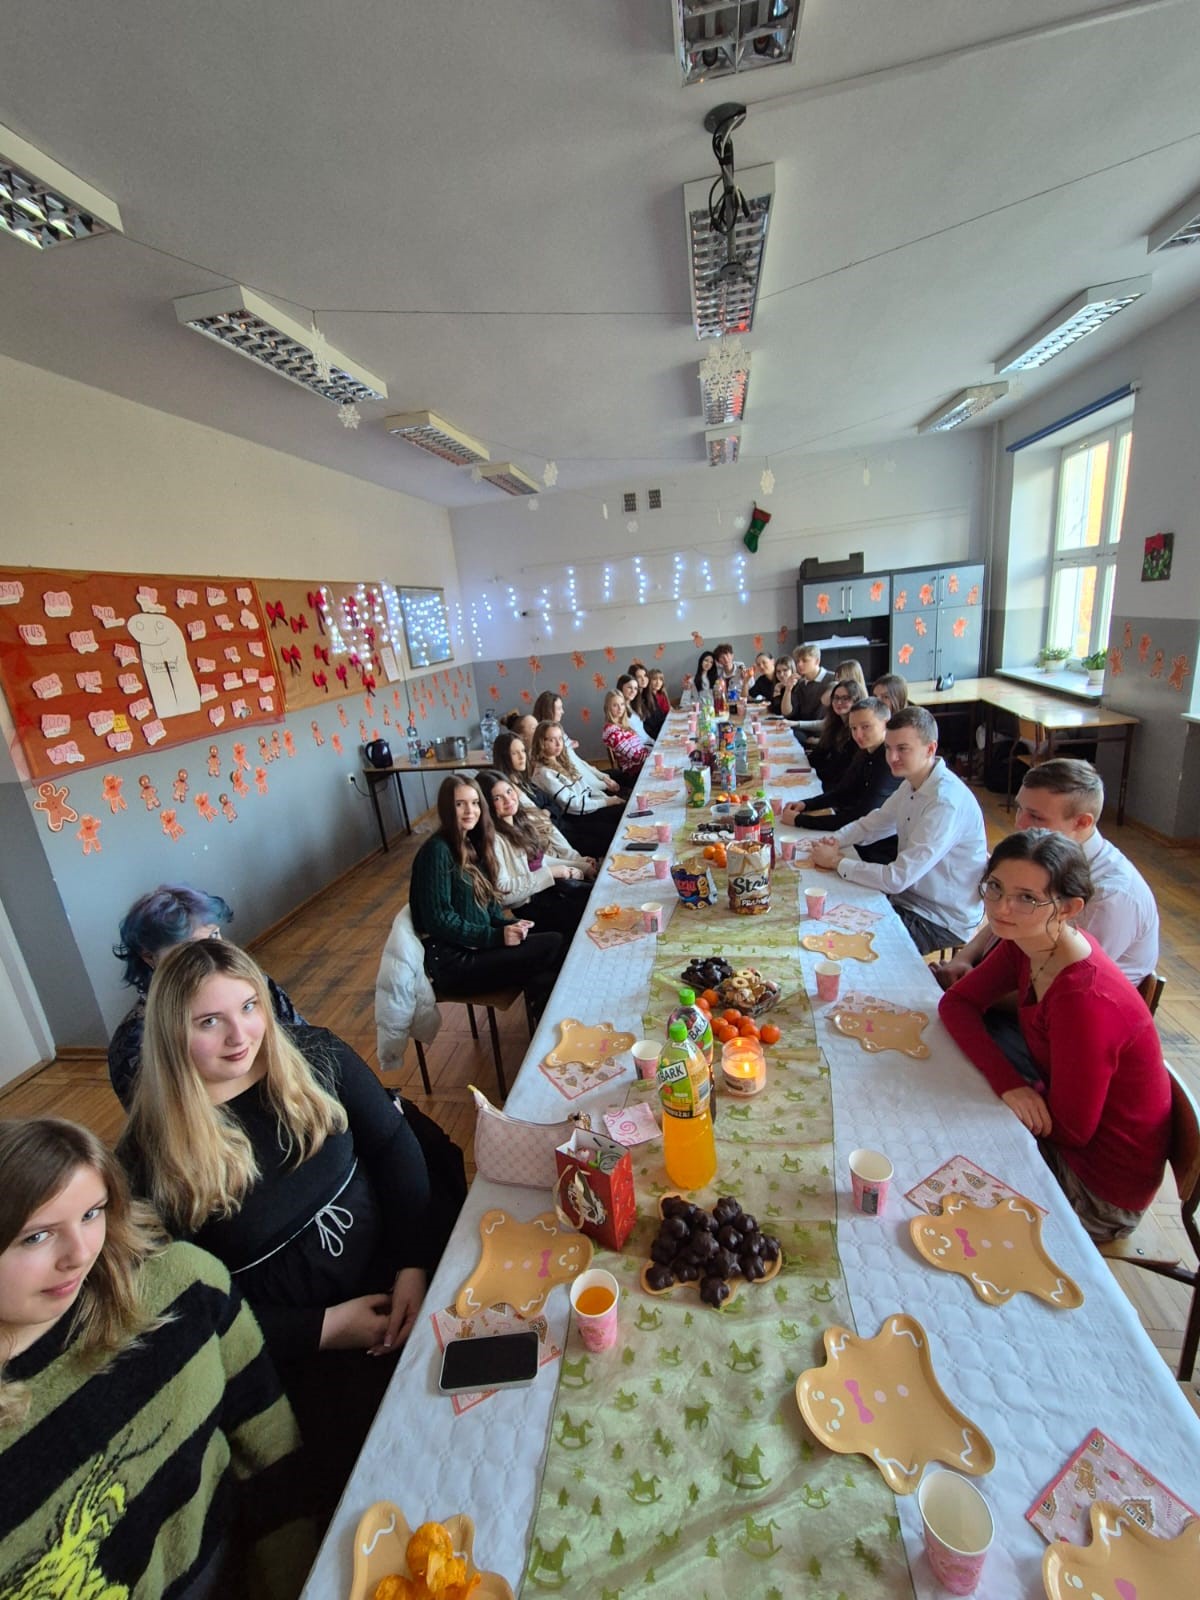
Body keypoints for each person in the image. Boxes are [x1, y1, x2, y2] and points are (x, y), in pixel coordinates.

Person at [118, 938, 443, 1516]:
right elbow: (187, 1309)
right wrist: (326, 1329)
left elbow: (395, 1148)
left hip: (399, 1272)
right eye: (209, 1022)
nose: (240, 1035)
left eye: (249, 1007)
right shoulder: (149, 1159)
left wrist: (413, 1265)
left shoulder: (316, 1056)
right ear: (170, 1035)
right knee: (382, 1480)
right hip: (292, 1345)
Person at [0, 1116, 314, 1597]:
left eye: (92, 1213)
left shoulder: (185, 1290)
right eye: (36, 1236)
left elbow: (271, 1454)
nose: (79, 1254)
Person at [939, 831, 1171, 1242]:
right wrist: (1010, 1084)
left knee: (935, 1153)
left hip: (1097, 1190)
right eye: (995, 887)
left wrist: (1012, 1087)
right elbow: (956, 1004)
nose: (1001, 907)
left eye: (1027, 898)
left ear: (1068, 908)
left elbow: (1072, 1130)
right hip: (1063, 1131)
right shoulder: (1029, 941)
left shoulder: (1084, 998)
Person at [933, 759, 1159, 989]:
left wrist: (966, 986)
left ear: (1082, 822)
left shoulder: (1109, 897)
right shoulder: (1040, 859)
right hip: (1003, 980)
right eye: (1019, 809)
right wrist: (963, 958)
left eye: (1036, 817)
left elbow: (1059, 987)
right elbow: (1006, 914)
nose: (1019, 824)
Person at [810, 706, 988, 954]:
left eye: (902, 749)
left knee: (845, 947)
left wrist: (836, 862)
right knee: (822, 919)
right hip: (907, 898)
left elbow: (897, 878)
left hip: (939, 917)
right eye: (888, 748)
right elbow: (875, 823)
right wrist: (834, 841)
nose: (892, 757)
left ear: (930, 749)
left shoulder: (945, 803)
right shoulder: (913, 782)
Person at [108, 884, 304, 1108]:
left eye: (214, 935)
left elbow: (302, 1043)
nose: (208, 952)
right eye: (188, 947)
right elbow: (159, 1117)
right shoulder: (133, 1040)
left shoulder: (252, 985)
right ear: (149, 957)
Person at [409, 776, 564, 1020]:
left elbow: (488, 905)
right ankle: (547, 1017)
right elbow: (438, 920)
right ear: (446, 808)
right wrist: (495, 936)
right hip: (453, 962)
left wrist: (508, 925)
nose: (470, 810)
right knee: (552, 947)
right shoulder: (437, 851)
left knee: (556, 943)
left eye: (474, 803)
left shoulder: (470, 843)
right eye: (460, 804)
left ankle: (546, 1017)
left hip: (475, 944)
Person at [475, 770, 594, 942]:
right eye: (497, 798)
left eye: (509, 791)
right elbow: (503, 891)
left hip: (550, 890)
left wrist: (580, 866)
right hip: (531, 906)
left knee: (598, 895)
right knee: (592, 912)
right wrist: (551, 873)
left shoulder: (518, 822)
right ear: (486, 804)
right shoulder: (493, 839)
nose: (508, 800)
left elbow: (538, 860)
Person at [782, 697, 900, 837]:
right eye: (853, 728)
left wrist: (800, 820)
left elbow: (862, 816)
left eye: (865, 727)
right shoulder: (865, 751)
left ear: (886, 724)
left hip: (878, 839)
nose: (858, 735)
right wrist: (805, 804)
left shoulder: (889, 761)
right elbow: (843, 792)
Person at [529, 719, 624, 854]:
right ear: (541, 743)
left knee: (625, 810)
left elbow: (585, 788)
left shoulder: (562, 761)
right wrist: (607, 802)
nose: (558, 744)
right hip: (578, 817)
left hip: (590, 806)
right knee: (618, 829)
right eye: (551, 740)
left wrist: (607, 797)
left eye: (560, 738)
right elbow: (574, 804)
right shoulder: (544, 773)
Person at [803, 679, 860, 787]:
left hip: (837, 785)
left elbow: (839, 770)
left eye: (845, 698)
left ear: (856, 701)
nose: (839, 702)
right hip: (824, 778)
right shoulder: (834, 724)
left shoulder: (855, 731)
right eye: (836, 698)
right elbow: (818, 755)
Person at [492, 727, 555, 814]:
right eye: (514, 753)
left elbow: (554, 804)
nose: (522, 757)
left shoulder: (525, 780)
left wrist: (547, 811)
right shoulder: (509, 791)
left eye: (523, 751)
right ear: (504, 757)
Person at [603, 689, 650, 778]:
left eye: (622, 704)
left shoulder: (624, 724)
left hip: (643, 764)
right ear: (608, 708)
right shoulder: (611, 731)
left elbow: (641, 748)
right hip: (634, 772)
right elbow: (635, 756)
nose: (620, 708)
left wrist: (651, 751)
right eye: (615, 705)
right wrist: (652, 753)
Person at [789, 644, 836, 721]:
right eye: (797, 661)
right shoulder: (800, 683)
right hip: (802, 725)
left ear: (817, 661)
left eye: (804, 660)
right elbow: (790, 713)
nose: (799, 664)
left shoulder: (833, 678)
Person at [616, 674, 653, 747]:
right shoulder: (619, 710)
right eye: (630, 687)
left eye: (635, 688)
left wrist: (654, 743)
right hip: (639, 748)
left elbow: (642, 732)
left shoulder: (634, 706)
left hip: (648, 743)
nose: (633, 691)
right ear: (621, 687)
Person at [645, 667, 670, 734]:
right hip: (658, 728)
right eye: (654, 679)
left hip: (666, 722)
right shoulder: (647, 698)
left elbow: (668, 710)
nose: (658, 682)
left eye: (661, 679)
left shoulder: (662, 694)